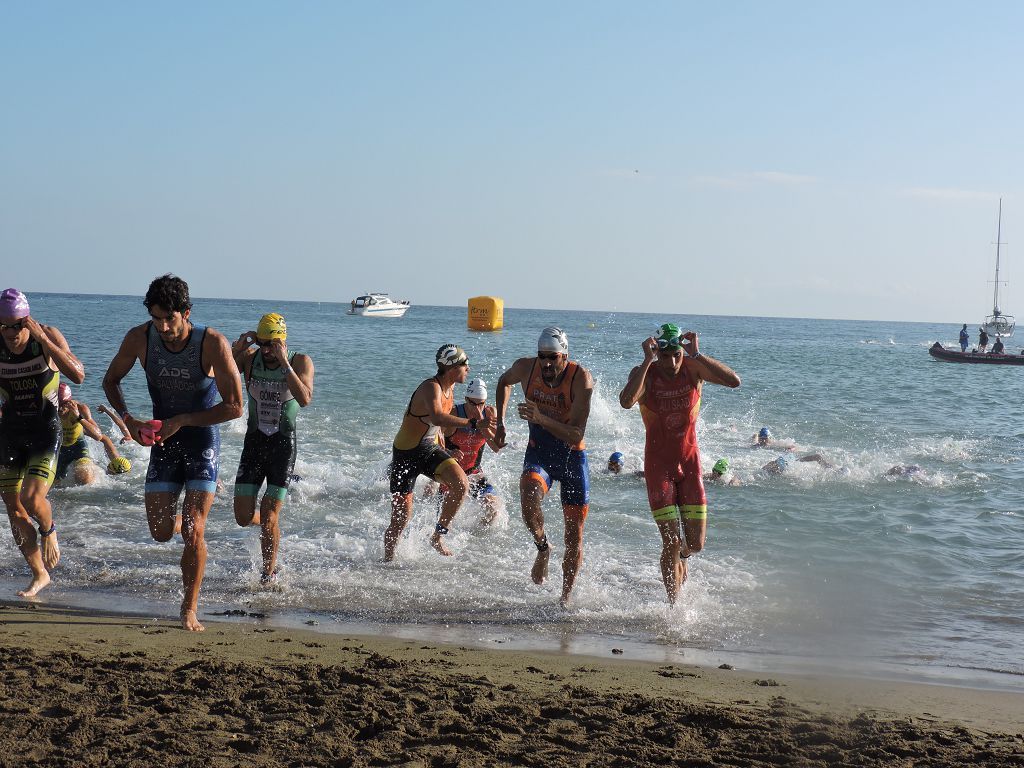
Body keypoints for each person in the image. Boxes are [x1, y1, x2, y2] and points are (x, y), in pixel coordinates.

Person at [102, 274, 243, 631]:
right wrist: (129, 420)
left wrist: (183, 419)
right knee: (162, 532)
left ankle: (189, 608)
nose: (163, 326)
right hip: (164, 444)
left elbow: (235, 407)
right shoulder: (139, 338)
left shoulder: (211, 343)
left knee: (194, 529)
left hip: (201, 442)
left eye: (170, 318)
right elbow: (110, 380)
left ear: (186, 312)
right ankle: (185, 520)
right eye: (156, 318)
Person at [619, 324, 741, 605]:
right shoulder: (645, 374)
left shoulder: (692, 368)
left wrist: (697, 354)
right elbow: (626, 402)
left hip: (690, 465)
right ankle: (674, 607)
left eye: (676, 354)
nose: (672, 362)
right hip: (657, 467)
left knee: (695, 544)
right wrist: (647, 362)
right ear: (656, 352)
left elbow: (734, 381)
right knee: (670, 542)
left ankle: (684, 558)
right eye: (665, 355)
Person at [496, 327, 594, 607]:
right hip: (540, 453)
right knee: (527, 496)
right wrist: (501, 423)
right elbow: (504, 381)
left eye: (552, 358)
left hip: (572, 458)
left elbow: (576, 433)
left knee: (573, 535)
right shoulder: (526, 369)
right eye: (542, 357)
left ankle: (565, 598)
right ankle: (542, 548)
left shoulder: (580, 379)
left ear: (565, 355)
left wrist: (540, 417)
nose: (547, 364)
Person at [0, 288, 85, 597]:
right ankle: (39, 574)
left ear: (29, 321)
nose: (11, 333)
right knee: (14, 509)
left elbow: (78, 375)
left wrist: (46, 342)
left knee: (33, 499)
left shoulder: (45, 337)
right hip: (9, 434)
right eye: (4, 325)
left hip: (44, 432)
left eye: (19, 324)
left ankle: (49, 530)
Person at [384, 344, 494, 561]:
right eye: (465, 365)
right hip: (405, 453)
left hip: (427, 448)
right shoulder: (430, 387)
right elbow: (436, 417)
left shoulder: (450, 389)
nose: (468, 369)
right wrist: (473, 423)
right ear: (453, 368)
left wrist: (448, 449)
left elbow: (438, 429)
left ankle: (437, 535)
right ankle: (386, 561)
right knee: (400, 519)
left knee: (461, 484)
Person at [231, 313, 314, 584]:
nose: (266, 350)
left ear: (282, 342)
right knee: (243, 517)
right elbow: (216, 374)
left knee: (268, 516)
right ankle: (272, 525)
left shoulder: (299, 361)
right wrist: (239, 348)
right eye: (263, 343)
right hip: (254, 443)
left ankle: (268, 573)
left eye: (272, 344)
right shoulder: (250, 358)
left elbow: (304, 399)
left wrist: (283, 363)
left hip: (283, 446)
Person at [433, 378, 504, 525]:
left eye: (481, 403)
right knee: (444, 522)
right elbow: (432, 443)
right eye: (472, 403)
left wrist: (481, 424)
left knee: (493, 510)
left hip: (473, 473)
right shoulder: (454, 413)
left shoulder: (490, 413)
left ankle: (475, 543)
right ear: (466, 399)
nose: (476, 408)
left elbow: (497, 447)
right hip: (450, 475)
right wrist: (448, 452)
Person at [56, 383, 132, 485]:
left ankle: (96, 468)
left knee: (85, 479)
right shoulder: (48, 409)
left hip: (78, 448)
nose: (60, 408)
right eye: (57, 404)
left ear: (70, 401)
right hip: (58, 450)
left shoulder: (80, 408)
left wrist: (79, 418)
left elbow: (98, 435)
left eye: (63, 404)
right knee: (51, 486)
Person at [761, 453, 836, 474]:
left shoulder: (777, 463)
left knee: (817, 456)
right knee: (817, 456)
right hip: (788, 463)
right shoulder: (792, 460)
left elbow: (764, 468)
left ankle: (829, 468)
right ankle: (830, 468)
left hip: (785, 464)